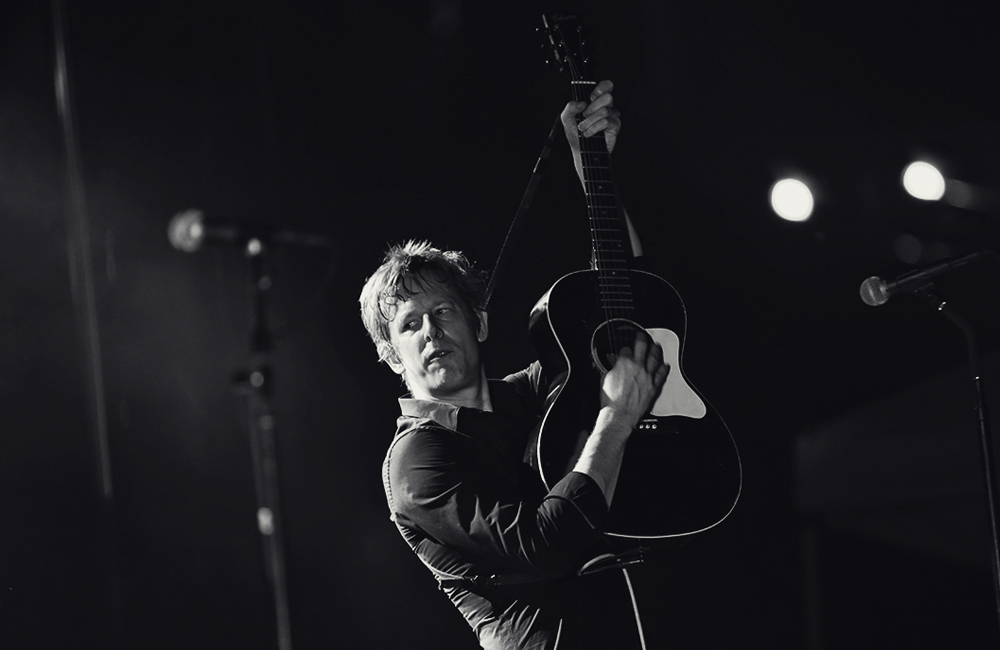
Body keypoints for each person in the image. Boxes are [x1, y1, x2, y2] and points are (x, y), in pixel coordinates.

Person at [359, 81, 668, 649]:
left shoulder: (525, 396)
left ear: (476, 324)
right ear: (389, 355)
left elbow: (621, 305)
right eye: (409, 324)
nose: (431, 331)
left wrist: (590, 168)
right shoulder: (417, 460)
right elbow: (546, 546)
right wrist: (615, 420)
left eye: (443, 310)